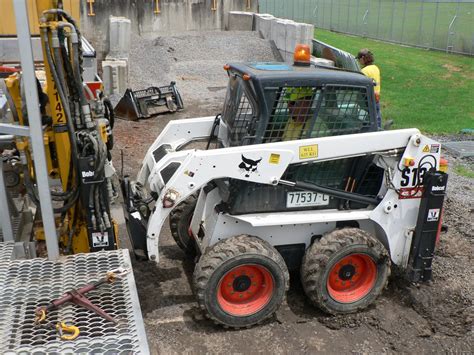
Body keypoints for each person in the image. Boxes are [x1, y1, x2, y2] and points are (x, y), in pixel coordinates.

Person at [356, 48, 382, 128]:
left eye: (359, 59)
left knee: (367, 117)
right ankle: (378, 130)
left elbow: (360, 86)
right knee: (377, 117)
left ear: (363, 58)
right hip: (376, 97)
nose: (359, 61)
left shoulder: (364, 71)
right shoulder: (376, 68)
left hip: (367, 98)